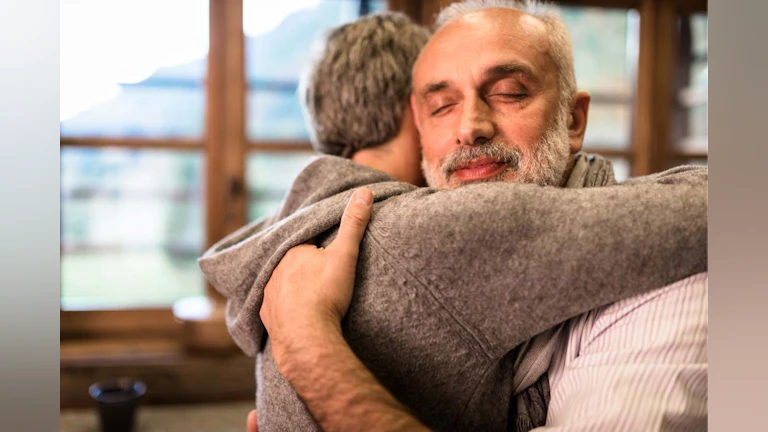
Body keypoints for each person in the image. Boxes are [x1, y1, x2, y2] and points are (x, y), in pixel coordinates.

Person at [200, 3, 708, 432]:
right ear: (414, 119)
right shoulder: (428, 232)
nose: (469, 126)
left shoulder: (302, 229)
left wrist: (304, 341)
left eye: (508, 92)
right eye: (442, 104)